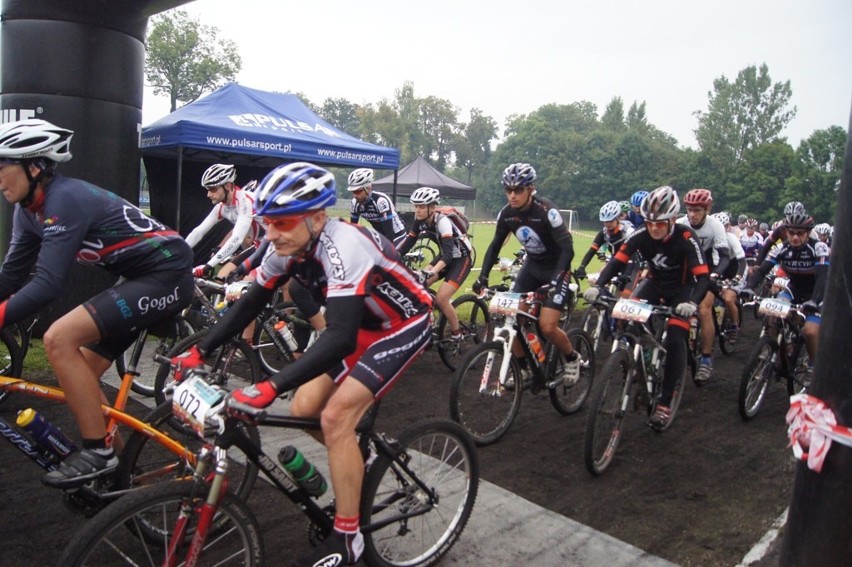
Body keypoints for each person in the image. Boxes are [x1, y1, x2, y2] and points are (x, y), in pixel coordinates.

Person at [171, 161, 432, 566]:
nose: (270, 234)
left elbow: (339, 336)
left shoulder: (346, 244)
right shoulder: (288, 246)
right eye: (267, 222)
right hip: (363, 323)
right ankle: (359, 464)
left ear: (316, 218)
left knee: (335, 418)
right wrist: (201, 349)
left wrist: (270, 386)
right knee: (303, 409)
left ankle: (349, 541)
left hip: (402, 324)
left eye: (282, 223)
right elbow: (253, 301)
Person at [0, 119, 194, 487]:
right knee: (80, 380)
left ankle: (99, 453)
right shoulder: (28, 211)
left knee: (59, 339)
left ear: (34, 166)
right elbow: (10, 278)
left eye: (2, 166)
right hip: (136, 278)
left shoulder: (65, 199)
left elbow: (46, 285)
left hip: (167, 274)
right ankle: (122, 476)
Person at [583, 186, 710, 429]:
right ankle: (641, 355)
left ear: (673, 219)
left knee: (675, 338)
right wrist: (599, 286)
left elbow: (703, 277)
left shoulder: (686, 238)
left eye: (660, 222)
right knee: (626, 319)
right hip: (654, 284)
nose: (654, 227)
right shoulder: (640, 234)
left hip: (682, 291)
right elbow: (617, 262)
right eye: (649, 221)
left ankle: (664, 402)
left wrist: (691, 303)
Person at [474, 162, 581, 384]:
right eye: (508, 190)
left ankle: (572, 357)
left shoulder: (546, 210)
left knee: (547, 326)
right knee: (511, 318)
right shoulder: (507, 214)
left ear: (530, 189)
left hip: (556, 270)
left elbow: (567, 248)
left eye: (518, 190)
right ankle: (523, 368)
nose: (512, 195)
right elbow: (494, 246)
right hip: (532, 268)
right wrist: (482, 277)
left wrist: (554, 281)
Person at [740, 209, 828, 366]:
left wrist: (814, 301)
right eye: (791, 232)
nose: (795, 237)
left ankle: (814, 368)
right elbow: (762, 269)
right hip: (793, 289)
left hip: (818, 293)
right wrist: (749, 287)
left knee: (810, 331)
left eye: (800, 233)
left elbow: (822, 277)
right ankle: (772, 347)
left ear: (808, 233)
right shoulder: (782, 248)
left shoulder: (818, 247)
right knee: (772, 315)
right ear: (786, 232)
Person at [396, 187, 473, 340]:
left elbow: (449, 255)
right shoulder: (419, 221)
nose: (417, 210)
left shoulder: (443, 222)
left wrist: (431, 271)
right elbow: (409, 242)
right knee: (418, 284)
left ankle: (456, 333)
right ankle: (429, 322)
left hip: (461, 259)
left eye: (422, 206)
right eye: (416, 206)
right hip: (444, 256)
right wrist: (391, 256)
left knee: (442, 298)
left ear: (432, 207)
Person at [676, 188, 730, 384]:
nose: (692, 214)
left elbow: (724, 256)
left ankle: (706, 359)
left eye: (697, 210)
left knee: (703, 309)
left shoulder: (715, 226)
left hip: (706, 272)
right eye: (689, 209)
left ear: (706, 209)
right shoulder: (680, 224)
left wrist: (714, 275)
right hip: (685, 272)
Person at [185, 163, 266, 279]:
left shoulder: (244, 201)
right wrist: (179, 251)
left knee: (247, 282)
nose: (208, 194)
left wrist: (208, 265)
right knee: (222, 275)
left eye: (213, 189)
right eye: (207, 189)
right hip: (260, 245)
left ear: (227, 186)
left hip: (277, 244)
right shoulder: (222, 207)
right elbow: (199, 232)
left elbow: (236, 238)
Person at [574, 200, 635, 285]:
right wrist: (582, 267)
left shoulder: (628, 231)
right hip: (615, 262)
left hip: (632, 264)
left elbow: (633, 255)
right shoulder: (604, 232)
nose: (607, 224)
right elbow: (592, 250)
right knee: (596, 283)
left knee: (624, 293)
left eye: (610, 221)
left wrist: (627, 274)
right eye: (605, 221)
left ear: (617, 218)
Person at [347, 167, 406, 243]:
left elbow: (389, 233)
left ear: (368, 188)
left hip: (397, 235)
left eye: (358, 191)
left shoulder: (380, 201)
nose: (355, 195)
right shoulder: (354, 203)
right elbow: (353, 229)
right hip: (380, 236)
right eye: (353, 192)